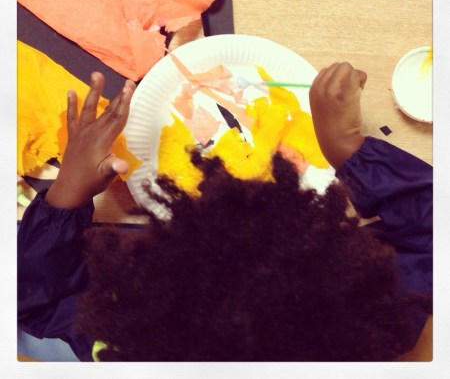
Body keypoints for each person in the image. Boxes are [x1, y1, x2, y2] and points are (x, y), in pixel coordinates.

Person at [17, 64, 432, 361]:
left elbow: (37, 304)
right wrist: (350, 148)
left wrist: (66, 196)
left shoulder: (122, 345)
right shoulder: (372, 320)